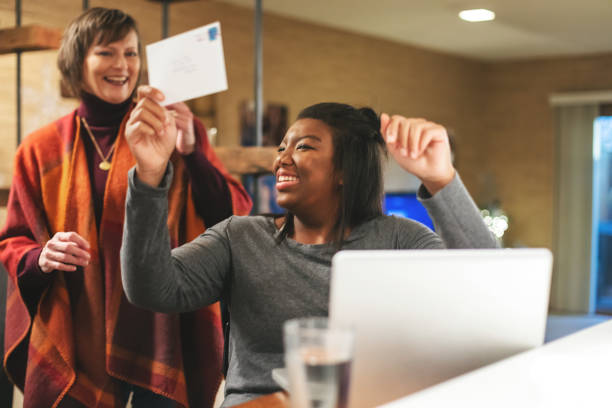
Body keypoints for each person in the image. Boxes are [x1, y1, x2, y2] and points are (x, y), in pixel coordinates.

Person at [120, 102, 498, 407]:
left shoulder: (398, 240)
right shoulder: (240, 237)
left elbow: (489, 287)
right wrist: (150, 176)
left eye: (303, 146)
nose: (282, 158)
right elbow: (152, 288)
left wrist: (440, 178)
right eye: (282, 146)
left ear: (344, 171)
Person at [0, 7, 251, 408]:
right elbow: (13, 240)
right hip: (76, 327)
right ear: (77, 61)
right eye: (106, 52)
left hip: (161, 325)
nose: (122, 65)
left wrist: (192, 151)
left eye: (131, 53)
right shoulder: (39, 148)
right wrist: (40, 256)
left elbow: (230, 218)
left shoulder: (168, 128)